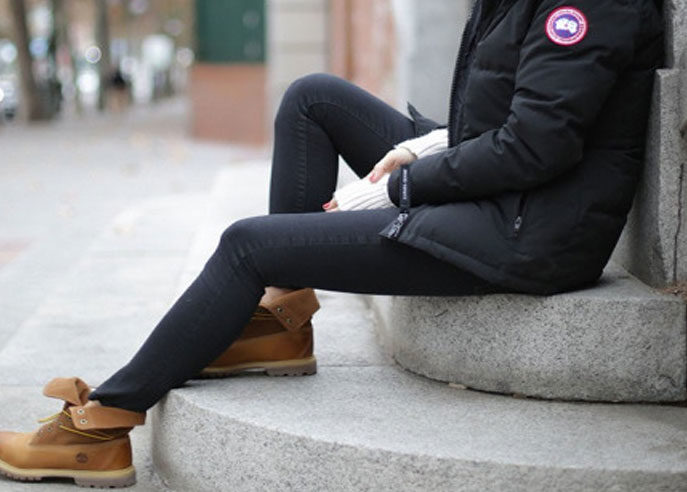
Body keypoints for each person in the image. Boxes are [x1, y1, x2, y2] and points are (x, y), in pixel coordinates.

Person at [0, 0, 663, 487]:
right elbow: (503, 120)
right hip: (504, 197)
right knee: (313, 99)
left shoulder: (586, 6)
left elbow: (534, 148)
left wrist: (405, 187)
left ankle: (103, 425)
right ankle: (278, 325)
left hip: (529, 231)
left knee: (248, 245)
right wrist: (425, 146)